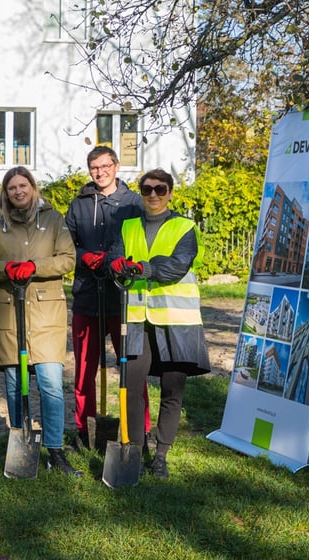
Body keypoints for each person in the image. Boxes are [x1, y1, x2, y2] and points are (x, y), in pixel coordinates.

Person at [105, 168, 211, 478]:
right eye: (147, 189)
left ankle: (161, 454)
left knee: (172, 388)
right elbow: (116, 256)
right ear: (141, 192)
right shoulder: (127, 226)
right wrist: (116, 265)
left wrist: (143, 268)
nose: (153, 195)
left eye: (160, 189)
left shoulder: (185, 227)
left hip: (177, 320)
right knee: (133, 385)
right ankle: (134, 452)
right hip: (137, 318)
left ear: (170, 193)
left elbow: (176, 267)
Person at [0, 166, 81, 476]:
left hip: (46, 313)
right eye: (12, 188)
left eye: (23, 185)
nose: (18, 192)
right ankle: (19, 441)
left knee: (51, 383)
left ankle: (55, 450)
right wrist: (7, 268)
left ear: (33, 188)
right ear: (6, 193)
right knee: (14, 384)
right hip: (10, 312)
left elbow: (68, 258)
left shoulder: (53, 220)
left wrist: (33, 266)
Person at [65, 145, 144, 450]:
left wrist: (113, 259)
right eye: (94, 168)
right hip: (87, 294)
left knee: (132, 369)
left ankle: (139, 431)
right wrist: (84, 257)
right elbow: (66, 245)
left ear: (116, 166)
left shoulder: (133, 203)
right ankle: (84, 431)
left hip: (122, 297)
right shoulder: (79, 204)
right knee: (85, 370)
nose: (100, 172)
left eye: (104, 166)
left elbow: (141, 242)